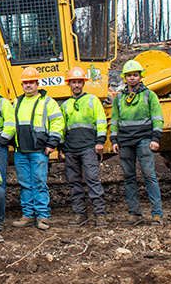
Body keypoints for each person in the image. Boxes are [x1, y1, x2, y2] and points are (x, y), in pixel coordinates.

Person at [111, 60, 165, 226]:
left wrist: (155, 139)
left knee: (149, 176)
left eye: (135, 75)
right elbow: (115, 120)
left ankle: (157, 214)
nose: (132, 78)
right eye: (129, 75)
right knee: (129, 178)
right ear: (125, 78)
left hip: (144, 140)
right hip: (125, 141)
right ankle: (134, 214)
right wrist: (114, 140)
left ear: (140, 76)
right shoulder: (119, 98)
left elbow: (157, 118)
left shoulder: (149, 95)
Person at [11, 67, 64, 231]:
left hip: (39, 151)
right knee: (25, 184)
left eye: (31, 82)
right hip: (21, 151)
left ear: (37, 83)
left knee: (39, 183)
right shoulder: (17, 102)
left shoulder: (47, 102)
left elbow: (57, 123)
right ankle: (28, 215)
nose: (28, 86)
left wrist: (51, 144)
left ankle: (42, 216)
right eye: (25, 83)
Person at [59, 67, 108, 227]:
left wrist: (100, 141)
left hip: (88, 147)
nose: (77, 85)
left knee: (93, 180)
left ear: (83, 83)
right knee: (74, 183)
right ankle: (80, 214)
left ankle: (100, 215)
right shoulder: (65, 105)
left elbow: (101, 121)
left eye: (79, 82)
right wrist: (61, 147)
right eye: (74, 82)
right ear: (69, 84)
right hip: (70, 149)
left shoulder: (93, 100)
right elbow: (62, 128)